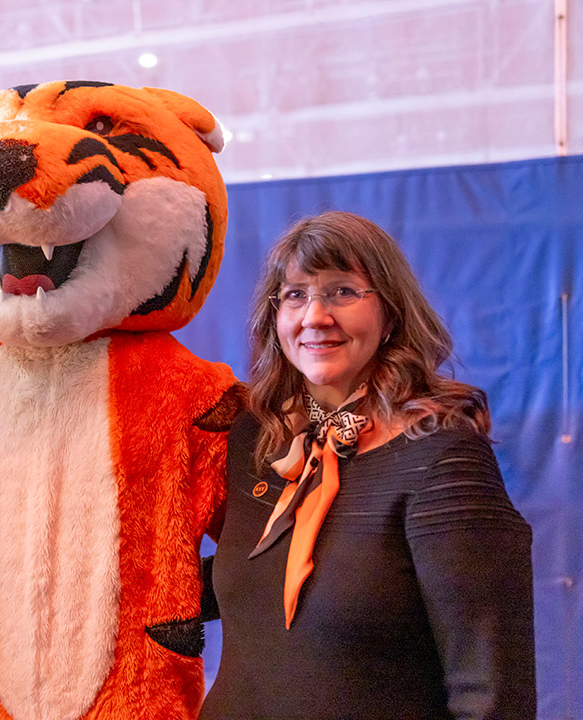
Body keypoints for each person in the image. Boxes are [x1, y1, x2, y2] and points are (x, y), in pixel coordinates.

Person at [200, 211, 536, 719]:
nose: (315, 316)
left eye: (342, 292)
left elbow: (490, 690)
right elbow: (250, 591)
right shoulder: (257, 437)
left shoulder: (443, 459)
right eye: (295, 294)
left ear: (392, 313)